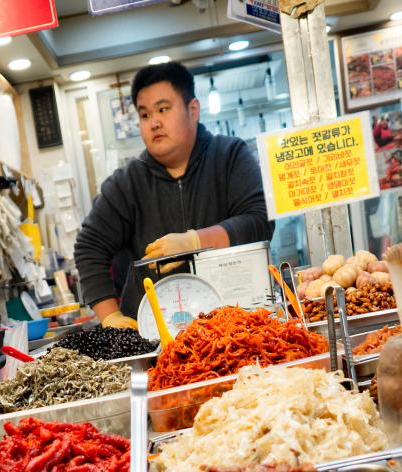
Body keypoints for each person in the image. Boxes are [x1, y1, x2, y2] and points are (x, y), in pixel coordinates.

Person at [74, 61, 273, 328]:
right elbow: (89, 247)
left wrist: (195, 241)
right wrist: (111, 317)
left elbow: (260, 221)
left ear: (193, 110)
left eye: (163, 109)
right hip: (155, 335)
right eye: (144, 115)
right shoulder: (127, 182)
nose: (154, 122)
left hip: (237, 326)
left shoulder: (230, 156)